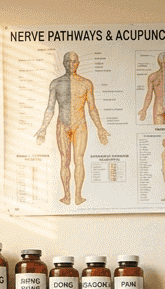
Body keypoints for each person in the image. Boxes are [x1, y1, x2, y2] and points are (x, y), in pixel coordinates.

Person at [35, 52, 110, 206]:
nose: (71, 64)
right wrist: (43, 128)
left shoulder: (86, 83)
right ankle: (67, 196)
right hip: (62, 124)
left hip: (80, 124)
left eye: (74, 61)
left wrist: (100, 128)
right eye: (68, 61)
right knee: (64, 161)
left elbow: (92, 108)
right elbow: (50, 108)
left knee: (79, 160)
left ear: (78, 63)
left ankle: (78, 195)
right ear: (63, 63)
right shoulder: (55, 83)